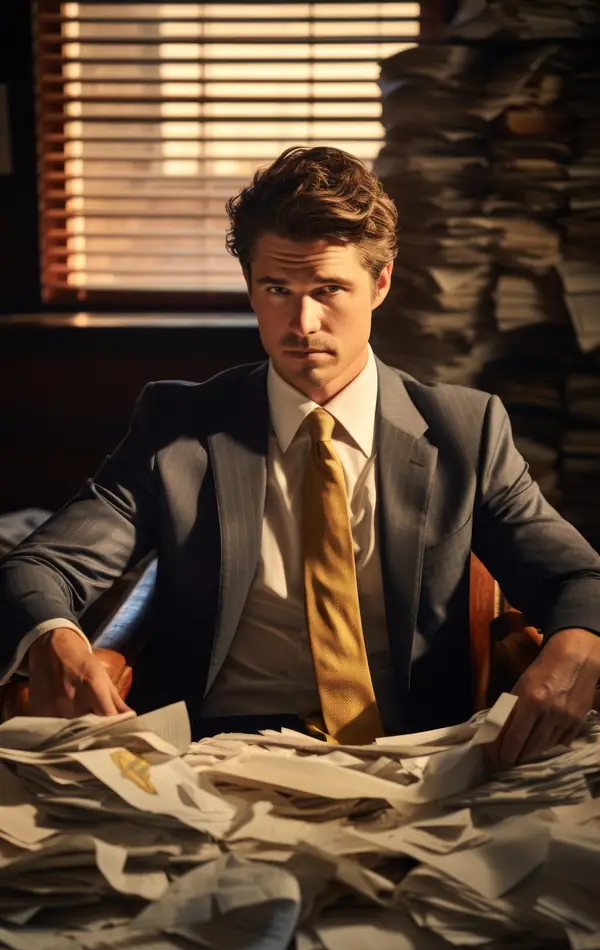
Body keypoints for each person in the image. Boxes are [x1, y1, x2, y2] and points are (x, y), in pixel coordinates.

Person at [1, 146, 600, 766]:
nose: (302, 322)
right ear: (251, 287)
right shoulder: (178, 426)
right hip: (217, 756)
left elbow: (580, 578)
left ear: (381, 283)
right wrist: (56, 638)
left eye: (329, 289)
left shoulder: (465, 430)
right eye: (278, 288)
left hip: (410, 755)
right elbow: (39, 567)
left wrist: (577, 649)